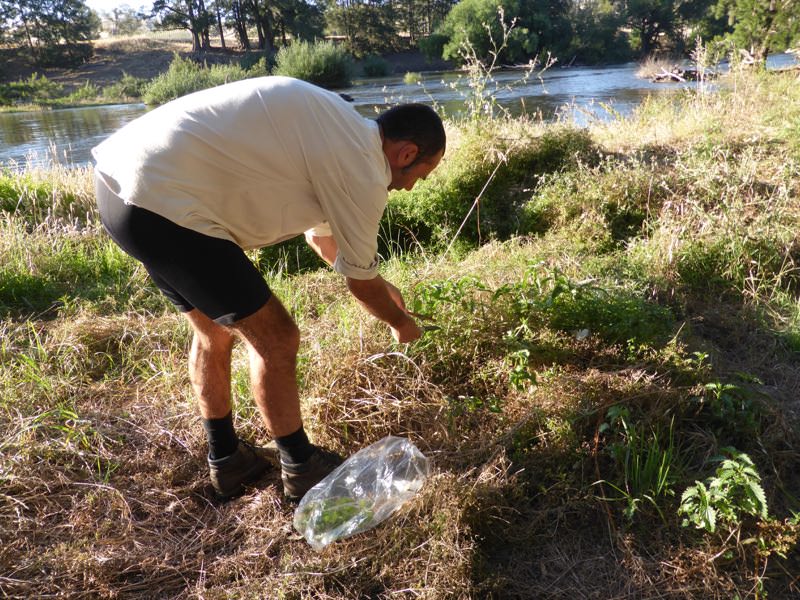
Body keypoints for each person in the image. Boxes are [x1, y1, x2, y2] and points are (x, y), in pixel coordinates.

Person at [92, 76, 446, 502]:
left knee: (212, 330)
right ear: (407, 153)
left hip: (122, 190)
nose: (411, 187)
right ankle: (301, 468)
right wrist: (401, 324)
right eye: (421, 175)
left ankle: (228, 460)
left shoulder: (339, 129)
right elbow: (359, 283)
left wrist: (381, 283)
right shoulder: (364, 168)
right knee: (277, 339)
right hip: (165, 204)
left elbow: (322, 238)